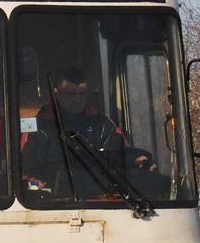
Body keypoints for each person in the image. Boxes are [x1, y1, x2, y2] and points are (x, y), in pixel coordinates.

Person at [22, 66, 134, 195]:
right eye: (70, 94)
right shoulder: (38, 128)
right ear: (56, 94)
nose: (77, 100)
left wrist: (139, 161)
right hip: (53, 204)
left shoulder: (104, 125)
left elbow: (125, 155)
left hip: (102, 200)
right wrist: (36, 182)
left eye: (82, 94)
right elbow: (25, 170)